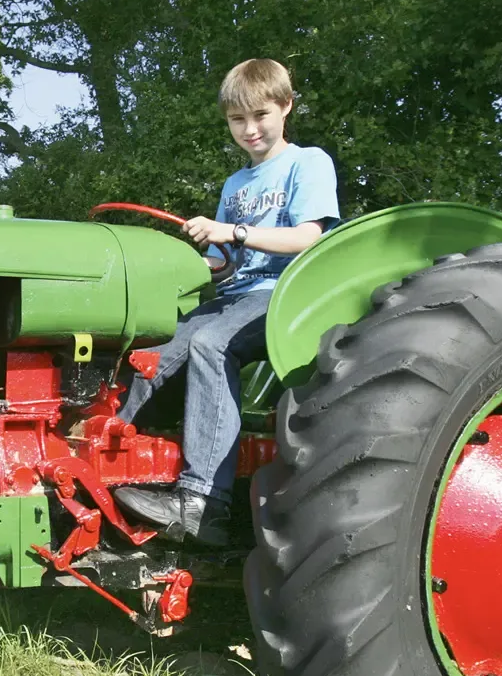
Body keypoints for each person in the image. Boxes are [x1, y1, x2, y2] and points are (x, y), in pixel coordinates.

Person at [111, 58, 340, 545]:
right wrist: (188, 258)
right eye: (238, 120)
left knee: (212, 344)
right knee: (150, 353)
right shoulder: (235, 185)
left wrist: (234, 231)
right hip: (236, 295)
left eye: (261, 116)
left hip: (284, 296)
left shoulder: (308, 162)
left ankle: (201, 503)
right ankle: (101, 461)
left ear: (286, 107)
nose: (250, 129)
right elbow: (221, 263)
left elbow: (308, 238)